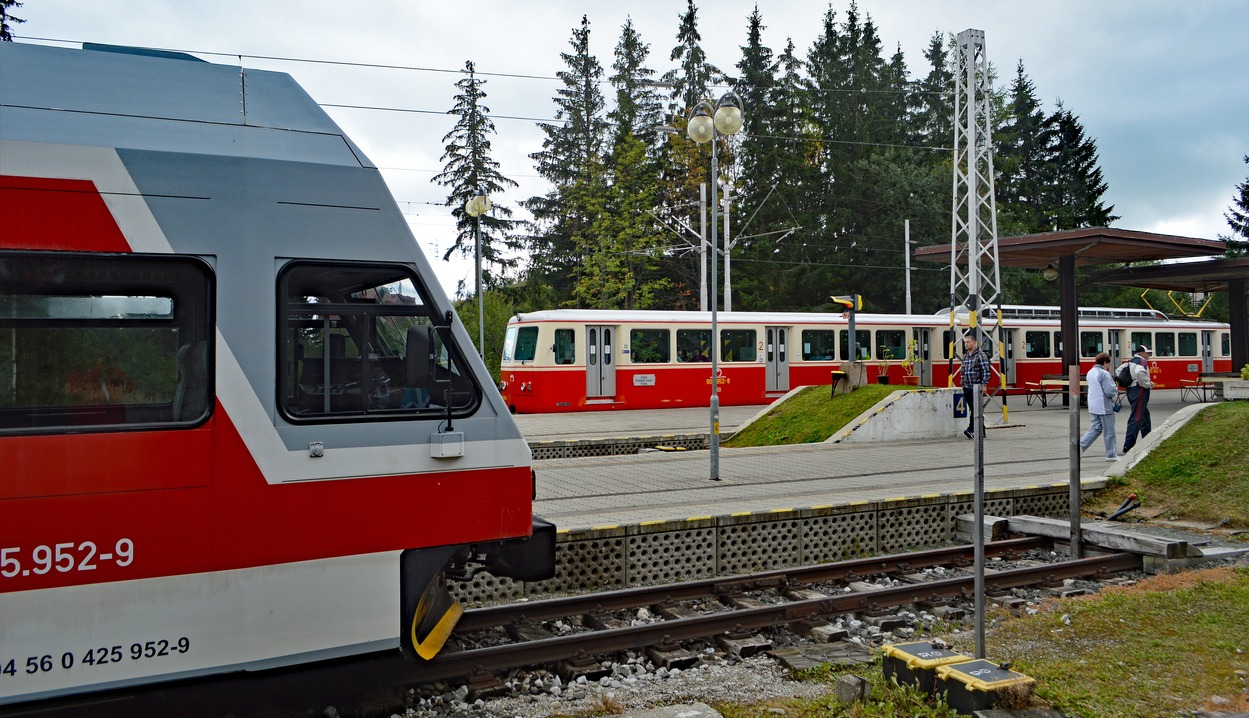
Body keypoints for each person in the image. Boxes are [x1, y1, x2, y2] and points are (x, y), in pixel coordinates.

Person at [1079, 352, 1119, 461]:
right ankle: (1111, 454)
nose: (1108, 366)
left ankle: (1079, 447)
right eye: (1108, 363)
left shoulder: (1090, 372)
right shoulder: (1104, 374)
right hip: (1104, 406)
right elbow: (1109, 391)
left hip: (1093, 405)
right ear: (1105, 362)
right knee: (1109, 431)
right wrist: (1115, 390)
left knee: (1096, 428)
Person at [1122, 344, 1154, 453]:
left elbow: (1119, 371)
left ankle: (1148, 439)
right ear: (1141, 353)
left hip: (1131, 389)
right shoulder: (1142, 362)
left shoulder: (1130, 361)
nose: (1149, 355)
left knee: (1144, 414)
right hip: (1139, 390)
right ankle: (1129, 445)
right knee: (1136, 417)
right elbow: (1140, 373)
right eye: (1148, 353)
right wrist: (1148, 384)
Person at [960, 333, 992, 439]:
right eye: (965, 342)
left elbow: (986, 371)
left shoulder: (981, 355)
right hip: (967, 387)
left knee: (975, 409)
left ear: (974, 343)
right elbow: (963, 370)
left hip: (976, 387)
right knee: (975, 409)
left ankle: (971, 429)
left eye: (968, 342)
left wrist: (984, 385)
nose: (966, 344)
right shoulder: (966, 356)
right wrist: (962, 382)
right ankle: (981, 431)